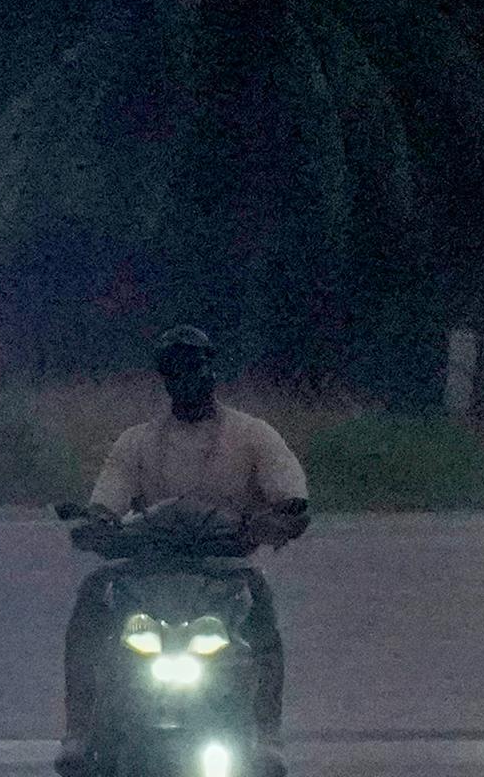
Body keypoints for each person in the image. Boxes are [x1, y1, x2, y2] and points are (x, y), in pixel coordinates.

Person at [62, 328, 310, 777]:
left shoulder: (252, 436)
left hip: (226, 571)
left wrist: (284, 517)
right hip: (147, 570)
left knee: (264, 620)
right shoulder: (136, 442)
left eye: (195, 367)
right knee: (92, 597)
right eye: (175, 371)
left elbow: (290, 495)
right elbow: (109, 497)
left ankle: (265, 732)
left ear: (212, 371)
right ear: (165, 380)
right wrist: (97, 523)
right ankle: (80, 729)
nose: (187, 379)